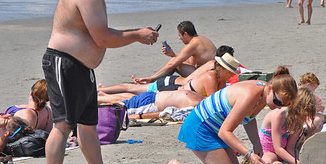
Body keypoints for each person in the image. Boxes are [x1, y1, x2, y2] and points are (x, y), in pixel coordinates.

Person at [41, 0, 159, 164]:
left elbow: (101, 34)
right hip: (65, 63)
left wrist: (135, 33)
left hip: (81, 68)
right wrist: (137, 34)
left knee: (88, 127)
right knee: (63, 125)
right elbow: (102, 38)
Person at [151, 66, 298, 164]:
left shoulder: (263, 94)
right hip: (200, 128)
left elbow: (249, 118)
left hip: (213, 129)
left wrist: (256, 144)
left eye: (285, 105)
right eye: (278, 102)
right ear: (270, 88)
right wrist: (249, 154)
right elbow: (225, 132)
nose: (279, 108)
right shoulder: (251, 94)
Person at [98, 45, 234, 95]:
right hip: (172, 85)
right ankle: (100, 91)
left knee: (132, 89)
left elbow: (186, 69)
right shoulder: (212, 69)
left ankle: (104, 89)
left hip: (174, 82)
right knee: (130, 90)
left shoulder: (210, 65)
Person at [131, 21, 217, 84]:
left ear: (186, 34)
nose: (179, 38)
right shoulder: (201, 39)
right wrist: (173, 55)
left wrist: (152, 77)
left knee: (174, 63)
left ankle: (151, 81)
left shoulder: (193, 44)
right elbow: (190, 63)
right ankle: (152, 80)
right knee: (175, 61)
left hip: (209, 76)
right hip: (211, 74)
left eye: (180, 35)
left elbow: (173, 64)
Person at [260, 88, 316, 164]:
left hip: (284, 150)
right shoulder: (279, 115)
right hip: (268, 150)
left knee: (295, 163)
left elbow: (291, 147)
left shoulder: (298, 120)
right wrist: (297, 163)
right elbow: (277, 149)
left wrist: (300, 162)